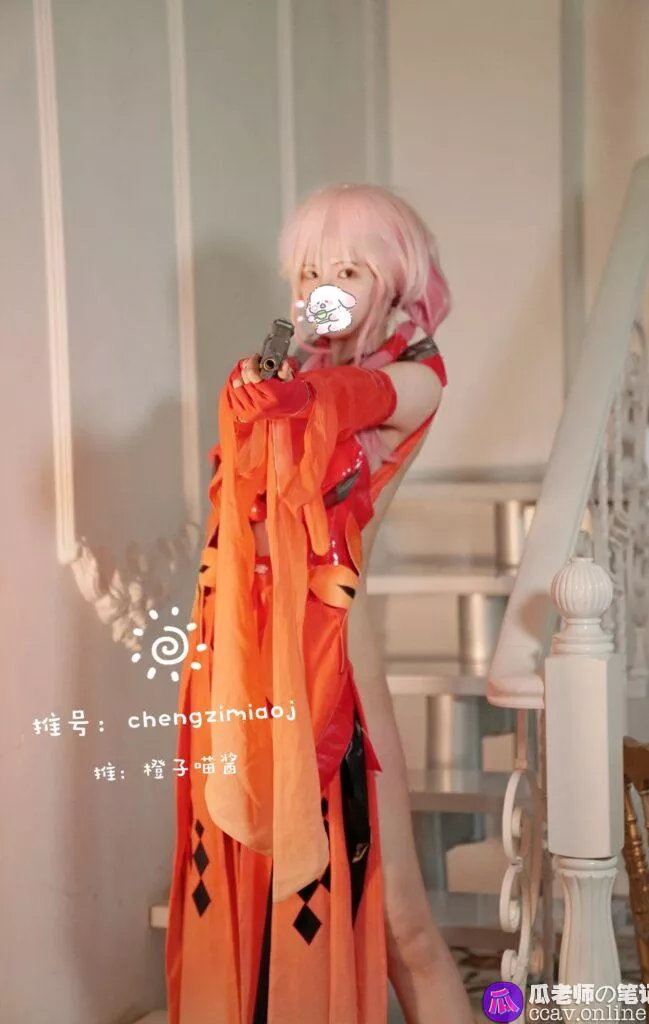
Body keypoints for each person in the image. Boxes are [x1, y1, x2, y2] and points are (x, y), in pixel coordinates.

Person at [166, 183, 474, 1024]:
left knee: (400, 919)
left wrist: (299, 397)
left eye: (348, 270)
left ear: (393, 279)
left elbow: (356, 402)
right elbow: (266, 407)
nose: (323, 287)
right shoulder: (293, 360)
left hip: (337, 662)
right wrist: (268, 372)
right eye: (308, 271)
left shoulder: (417, 375)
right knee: (256, 900)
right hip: (249, 652)